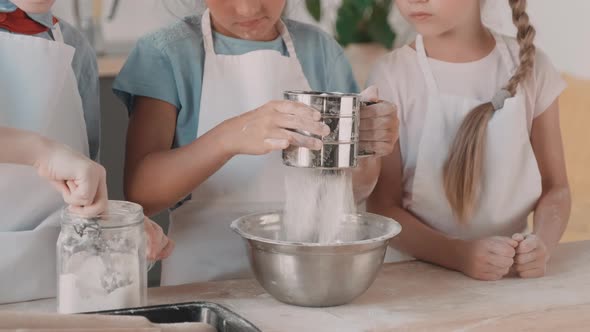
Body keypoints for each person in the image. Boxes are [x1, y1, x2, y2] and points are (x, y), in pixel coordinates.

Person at [113, 0, 399, 286]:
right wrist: (230, 137)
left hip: (308, 276)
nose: (248, 9)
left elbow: (356, 189)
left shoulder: (320, 51)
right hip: (203, 278)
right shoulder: (167, 53)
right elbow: (143, 195)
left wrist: (369, 147)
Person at [367, 0, 570, 281]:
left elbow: (556, 189)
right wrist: (459, 255)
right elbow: (382, 207)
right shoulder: (392, 76)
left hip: (508, 279)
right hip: (416, 279)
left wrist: (542, 245)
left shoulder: (534, 68)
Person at [0, 0, 172, 304]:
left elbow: (82, 178)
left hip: (56, 287)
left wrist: (113, 221)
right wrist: (42, 152)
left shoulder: (75, 48)